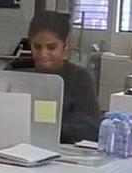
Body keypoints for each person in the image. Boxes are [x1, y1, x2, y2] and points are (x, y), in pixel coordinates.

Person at [17, 11, 100, 144]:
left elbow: (91, 128)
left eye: (51, 47)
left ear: (65, 45)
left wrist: (49, 129)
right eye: (37, 47)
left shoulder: (79, 77)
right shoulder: (17, 71)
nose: (43, 54)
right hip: (19, 146)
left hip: (62, 149)